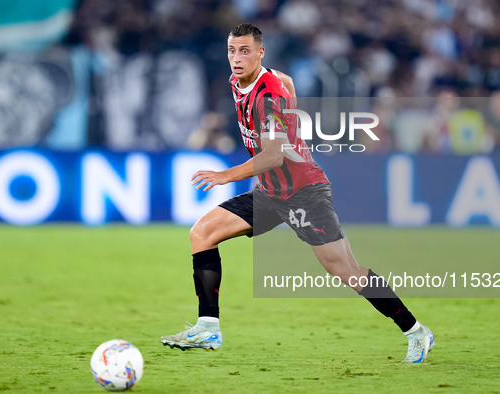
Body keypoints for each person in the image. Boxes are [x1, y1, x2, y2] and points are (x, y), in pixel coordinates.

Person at [161, 23, 435, 363]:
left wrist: (225, 175)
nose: (236, 58)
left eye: (244, 51)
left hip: (305, 192)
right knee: (202, 232)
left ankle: (416, 331)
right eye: (232, 50)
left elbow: (273, 155)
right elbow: (287, 81)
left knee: (347, 272)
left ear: (260, 52)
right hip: (270, 193)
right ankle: (208, 327)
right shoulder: (243, 81)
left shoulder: (267, 97)